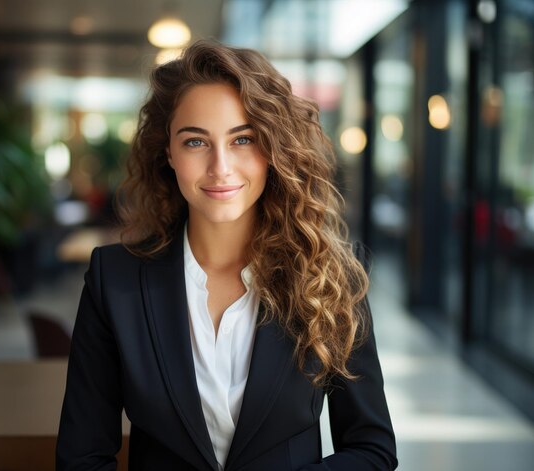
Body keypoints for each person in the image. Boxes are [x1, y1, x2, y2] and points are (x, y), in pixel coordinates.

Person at [56, 39, 397, 471]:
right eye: (196, 142)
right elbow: (81, 458)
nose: (221, 167)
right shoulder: (115, 280)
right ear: (169, 153)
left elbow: (372, 450)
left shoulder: (331, 277)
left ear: (273, 150)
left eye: (243, 140)